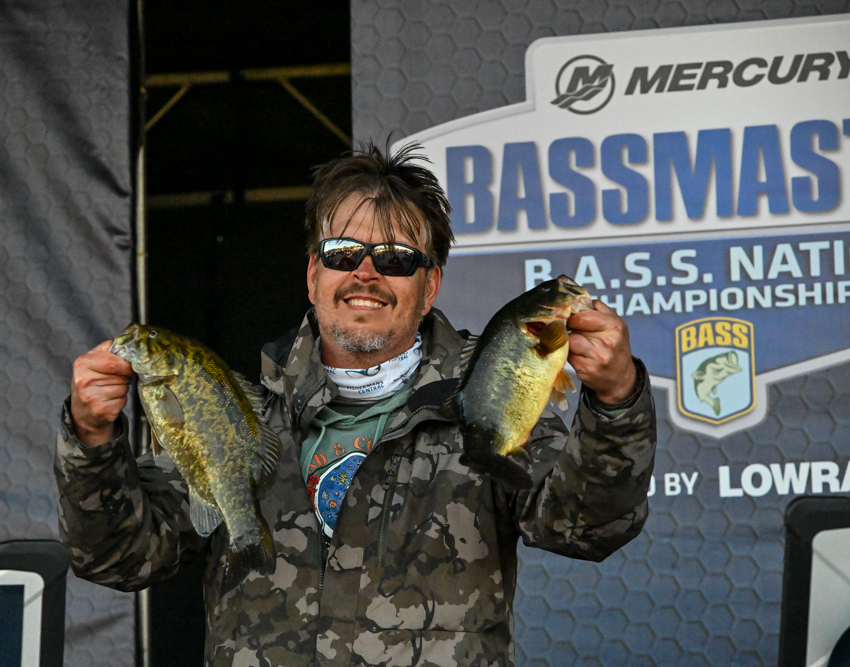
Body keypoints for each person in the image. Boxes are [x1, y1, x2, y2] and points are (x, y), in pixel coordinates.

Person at [55, 143, 656, 667]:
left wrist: (615, 399)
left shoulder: (482, 399)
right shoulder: (242, 412)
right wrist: (91, 438)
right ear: (313, 275)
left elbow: (585, 527)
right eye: (343, 252)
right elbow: (119, 558)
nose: (365, 273)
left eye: (395, 259)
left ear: (429, 285)